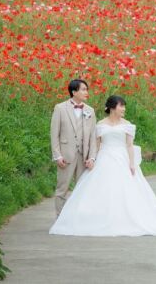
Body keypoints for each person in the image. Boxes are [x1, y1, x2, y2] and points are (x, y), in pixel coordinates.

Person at [49, 95, 156, 236]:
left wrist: (132, 163)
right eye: (121, 106)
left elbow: (129, 146)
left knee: (126, 190)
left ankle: (125, 219)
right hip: (104, 158)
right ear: (112, 108)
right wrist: (92, 159)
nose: (124, 109)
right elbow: (96, 145)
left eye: (124, 106)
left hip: (122, 159)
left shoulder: (127, 124)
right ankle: (95, 218)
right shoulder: (100, 124)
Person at [50, 79, 97, 216]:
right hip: (66, 156)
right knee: (62, 189)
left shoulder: (90, 111)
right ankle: (60, 220)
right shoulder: (60, 108)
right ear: (74, 92)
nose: (86, 92)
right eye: (83, 89)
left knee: (82, 190)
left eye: (86, 89)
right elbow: (54, 134)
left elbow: (93, 136)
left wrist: (92, 157)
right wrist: (57, 155)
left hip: (84, 157)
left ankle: (77, 219)